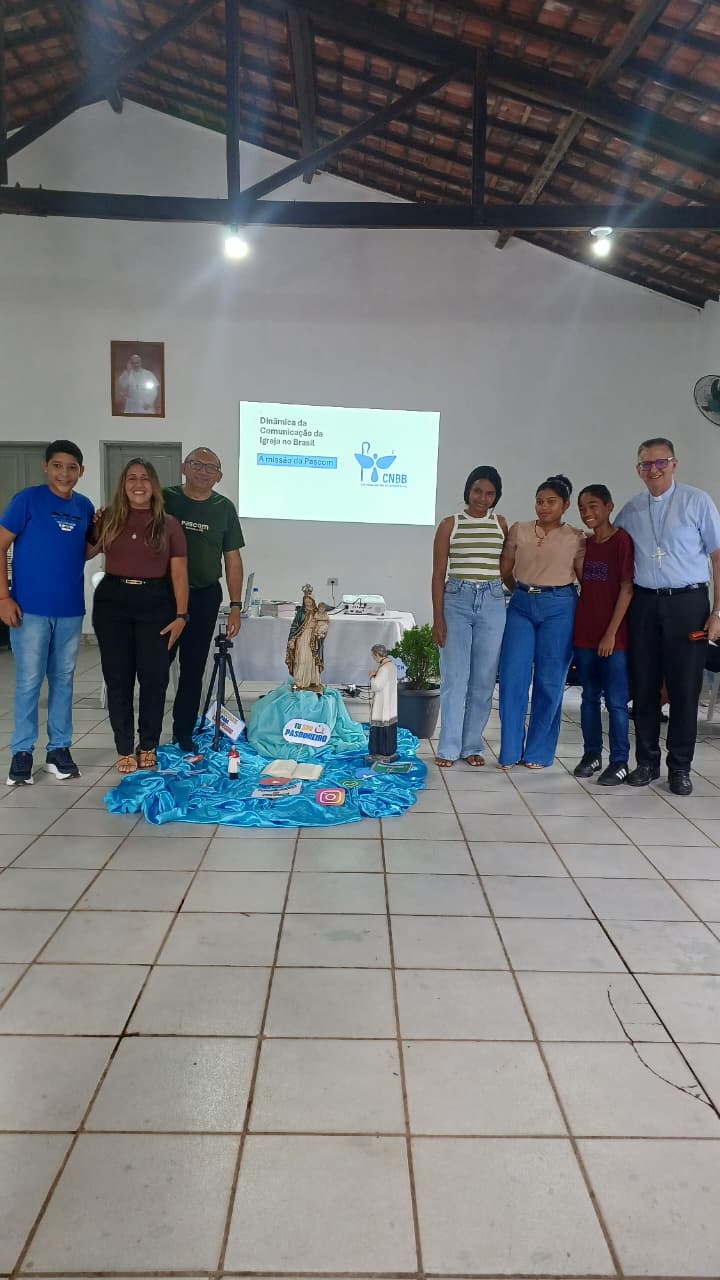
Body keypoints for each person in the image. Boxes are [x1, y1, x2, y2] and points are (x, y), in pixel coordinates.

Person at [615, 437, 720, 795]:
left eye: (661, 462)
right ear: (638, 470)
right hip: (645, 603)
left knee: (685, 688)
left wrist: (717, 612)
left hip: (688, 603)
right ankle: (646, 762)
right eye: (646, 464)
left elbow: (717, 558)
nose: (654, 469)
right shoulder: (632, 509)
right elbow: (614, 549)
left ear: (674, 464)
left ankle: (680, 767)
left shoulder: (697, 501)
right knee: (644, 685)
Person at [0, 440, 94, 785]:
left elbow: (83, 551)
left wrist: (104, 530)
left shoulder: (84, 506)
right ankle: (22, 752)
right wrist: (3, 597)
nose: (64, 474)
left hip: (69, 609)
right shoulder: (27, 500)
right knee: (28, 681)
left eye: (72, 468)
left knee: (63, 680)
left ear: (81, 471)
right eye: (57, 466)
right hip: (30, 609)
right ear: (46, 466)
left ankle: (58, 750)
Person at [89, 458, 189, 773]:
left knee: (154, 679)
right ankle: (123, 747)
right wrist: (92, 525)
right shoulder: (109, 518)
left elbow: (179, 574)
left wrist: (182, 616)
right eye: (131, 477)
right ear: (123, 484)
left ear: (154, 485)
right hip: (112, 602)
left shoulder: (169, 524)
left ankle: (148, 744)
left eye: (144, 478)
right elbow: (86, 552)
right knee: (118, 679)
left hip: (156, 602)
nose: (138, 484)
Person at [498, 474, 585, 769]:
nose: (544, 507)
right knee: (512, 677)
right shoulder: (519, 530)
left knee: (550, 680)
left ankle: (538, 752)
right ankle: (510, 751)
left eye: (551, 502)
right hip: (521, 605)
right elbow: (505, 570)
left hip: (560, 606)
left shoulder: (576, 537)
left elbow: (584, 577)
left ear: (565, 505)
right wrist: (522, 591)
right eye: (539, 501)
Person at [162, 447, 245, 752]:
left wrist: (235, 607)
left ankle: (183, 733)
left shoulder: (224, 508)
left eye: (211, 468)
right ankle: (148, 736)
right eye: (197, 464)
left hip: (204, 597)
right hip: (164, 597)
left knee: (193, 667)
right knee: (157, 665)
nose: (203, 471)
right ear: (185, 467)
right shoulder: (164, 498)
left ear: (219, 477)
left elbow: (232, 559)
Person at [432, 465, 508, 767]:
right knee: (455, 678)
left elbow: (506, 567)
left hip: (492, 601)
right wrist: (438, 618)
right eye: (477, 491)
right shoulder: (450, 524)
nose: (482, 498)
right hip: (457, 601)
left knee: (484, 680)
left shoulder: (501, 524)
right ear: (468, 490)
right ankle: (448, 748)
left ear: (496, 497)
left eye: (489, 493)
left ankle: (472, 745)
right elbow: (438, 574)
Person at [572, 485, 634, 786]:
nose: (587, 512)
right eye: (582, 508)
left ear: (609, 507)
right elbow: (586, 583)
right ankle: (591, 754)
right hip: (584, 632)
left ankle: (619, 761)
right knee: (588, 698)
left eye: (593, 505)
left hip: (614, 637)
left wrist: (610, 634)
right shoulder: (584, 544)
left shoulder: (621, 541)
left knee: (617, 702)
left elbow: (626, 589)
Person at [286, 584, 329, 693]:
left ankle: (312, 681)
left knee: (312, 659)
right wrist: (292, 639)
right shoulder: (301, 612)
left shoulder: (317, 612)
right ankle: (300, 682)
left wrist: (321, 632)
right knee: (301, 658)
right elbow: (295, 626)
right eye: (306, 600)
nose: (308, 602)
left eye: (309, 600)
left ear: (313, 601)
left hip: (313, 638)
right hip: (302, 637)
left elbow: (323, 622)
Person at [368, 643, 398, 762]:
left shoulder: (384, 668)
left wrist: (372, 677)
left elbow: (377, 686)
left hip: (383, 704)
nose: (373, 658)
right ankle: (390, 750)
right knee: (389, 726)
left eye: (373, 655)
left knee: (381, 727)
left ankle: (381, 752)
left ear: (377, 654)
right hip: (391, 704)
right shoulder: (392, 666)